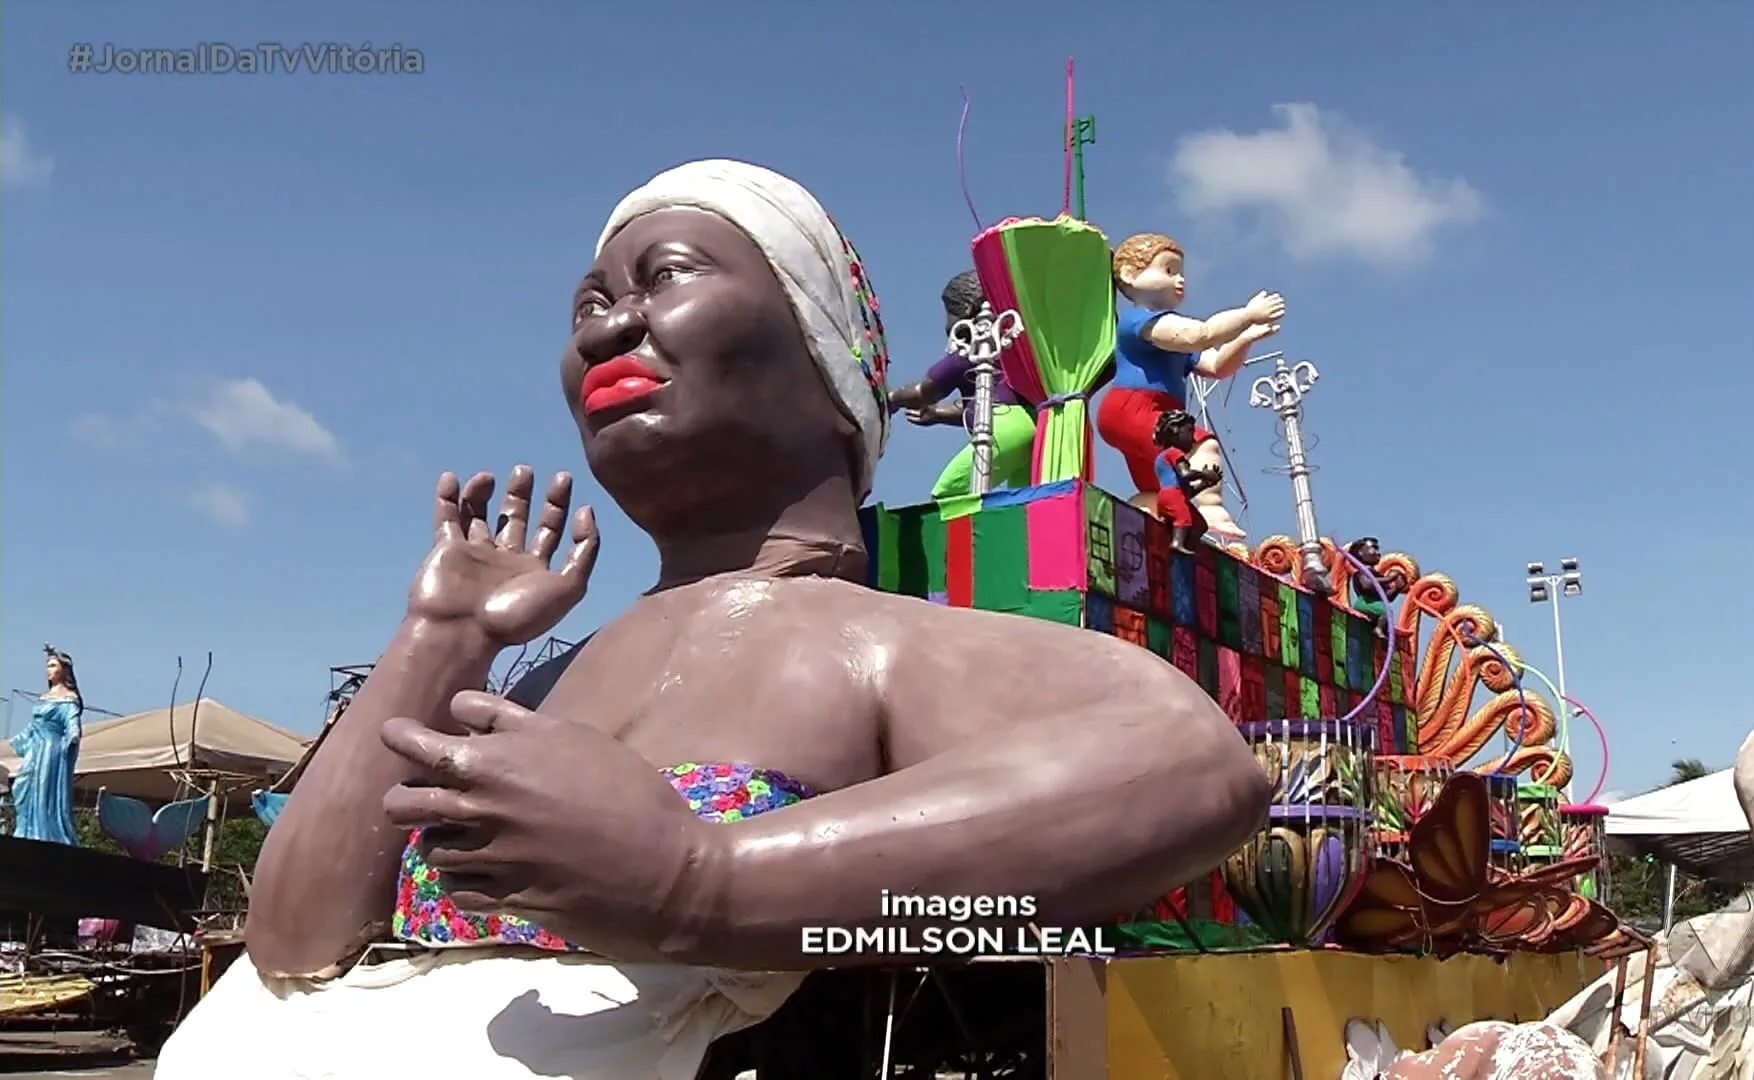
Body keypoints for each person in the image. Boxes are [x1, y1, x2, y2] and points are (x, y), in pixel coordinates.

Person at [157, 160, 1270, 1080]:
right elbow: (293, 944)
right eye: (588, 304)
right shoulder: (535, 681)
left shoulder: (860, 638)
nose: (608, 327)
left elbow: (1190, 766)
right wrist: (440, 638)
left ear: (831, 371)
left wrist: (703, 882)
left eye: (667, 276)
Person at [1095, 232, 1282, 539]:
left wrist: (1245, 338)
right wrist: (1247, 315)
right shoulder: (1139, 322)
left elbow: (1215, 365)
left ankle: (1144, 518)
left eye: (1181, 272)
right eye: (1169, 270)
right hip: (1133, 405)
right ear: (1130, 275)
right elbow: (1200, 334)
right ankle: (1210, 507)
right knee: (1199, 445)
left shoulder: (1170, 339)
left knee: (1161, 485)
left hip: (1156, 412)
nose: (1180, 279)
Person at [886, 270, 1039, 497]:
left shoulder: (970, 352)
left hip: (1005, 430)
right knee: (1019, 503)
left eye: (949, 313)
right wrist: (938, 415)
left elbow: (922, 392)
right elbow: (981, 405)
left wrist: (890, 398)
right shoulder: (1005, 349)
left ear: (965, 311)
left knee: (947, 494)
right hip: (1030, 426)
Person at [8, 645, 83, 845]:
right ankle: (26, 830)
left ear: (64, 669)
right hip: (35, 746)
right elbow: (34, 724)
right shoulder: (44, 697)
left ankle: (47, 833)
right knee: (21, 785)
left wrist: (74, 735)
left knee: (44, 788)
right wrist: (18, 740)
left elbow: (71, 720)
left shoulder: (69, 698)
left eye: (53, 665)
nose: (48, 670)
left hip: (51, 749)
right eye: (47, 666)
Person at [1151, 410, 1219, 554]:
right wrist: (1205, 474)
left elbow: (1186, 492)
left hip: (1170, 497)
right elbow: (1185, 474)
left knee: (1200, 525)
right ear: (1175, 430)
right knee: (1184, 519)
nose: (1193, 439)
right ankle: (1177, 543)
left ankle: (1186, 544)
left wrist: (1204, 484)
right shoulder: (1174, 453)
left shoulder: (1162, 456)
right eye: (1189, 431)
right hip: (1173, 496)